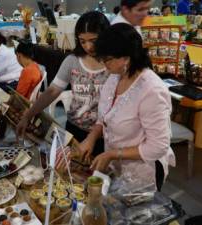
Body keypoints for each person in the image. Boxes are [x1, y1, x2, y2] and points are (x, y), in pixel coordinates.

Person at [58, 23, 175, 191]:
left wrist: (113, 154)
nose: (104, 64)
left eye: (107, 59)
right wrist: (91, 138)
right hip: (115, 166)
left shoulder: (151, 90)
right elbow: (104, 117)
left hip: (141, 172)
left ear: (126, 57)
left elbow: (158, 146)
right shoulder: (115, 77)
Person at [16, 11, 111, 158]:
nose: (88, 46)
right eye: (82, 41)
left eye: (93, 40)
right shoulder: (72, 61)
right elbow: (52, 91)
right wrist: (28, 114)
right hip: (75, 131)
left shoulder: (113, 63)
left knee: (101, 177)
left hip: (106, 136)